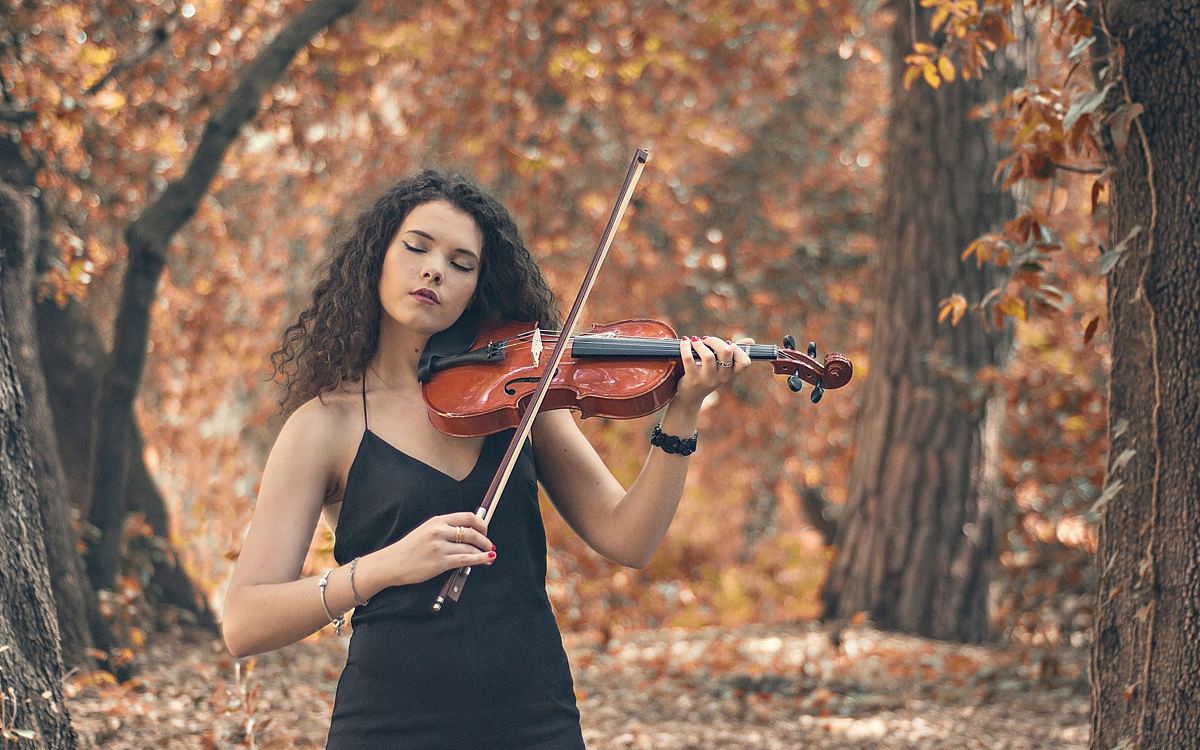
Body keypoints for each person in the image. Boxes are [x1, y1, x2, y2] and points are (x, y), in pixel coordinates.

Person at [221, 168, 752, 749]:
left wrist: (681, 415)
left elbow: (629, 539)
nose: (434, 270)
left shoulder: (522, 393)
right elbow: (244, 622)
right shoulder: (325, 425)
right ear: (376, 257)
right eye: (417, 247)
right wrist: (384, 567)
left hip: (533, 717)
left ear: (478, 285)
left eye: (461, 262)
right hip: (389, 724)